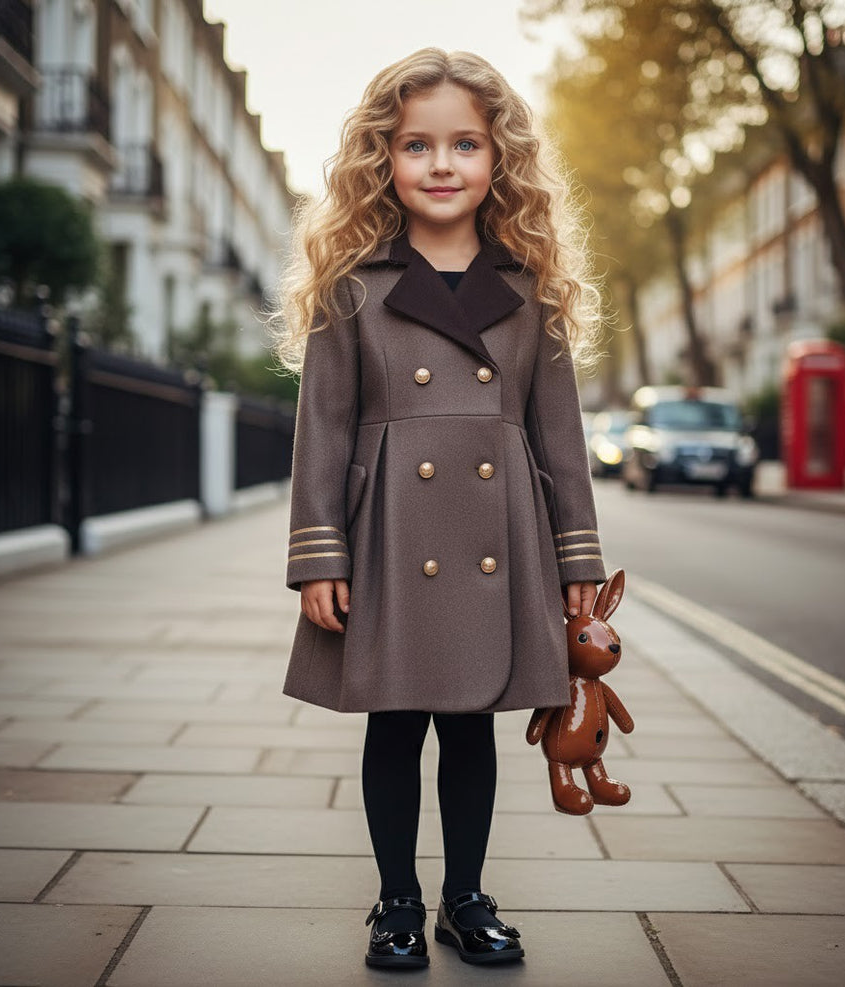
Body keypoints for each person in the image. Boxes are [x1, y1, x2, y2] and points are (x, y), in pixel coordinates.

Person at [273, 47, 607, 969]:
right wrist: (318, 556)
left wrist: (579, 563)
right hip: (389, 538)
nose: (443, 163)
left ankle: (466, 896)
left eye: (465, 142)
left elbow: (561, 438)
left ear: (500, 157)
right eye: (417, 145)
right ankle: (396, 904)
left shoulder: (530, 288)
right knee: (395, 721)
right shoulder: (354, 287)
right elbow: (325, 431)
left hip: (499, 535)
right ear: (383, 159)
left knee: (471, 723)